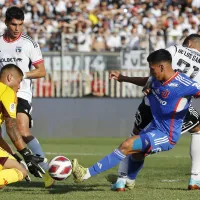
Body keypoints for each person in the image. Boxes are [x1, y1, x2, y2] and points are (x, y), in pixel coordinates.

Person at [71, 49, 200, 190]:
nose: (150, 72)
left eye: (152, 69)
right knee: (137, 155)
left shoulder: (184, 84)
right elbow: (146, 80)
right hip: (154, 128)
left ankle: (85, 174)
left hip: (166, 136)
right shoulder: (156, 79)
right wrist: (123, 78)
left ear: (162, 67)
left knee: (127, 144)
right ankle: (128, 182)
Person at [106, 34, 200, 191]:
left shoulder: (174, 50)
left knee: (134, 136)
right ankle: (195, 179)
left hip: (150, 102)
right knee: (197, 131)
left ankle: (123, 179)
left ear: (188, 43)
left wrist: (125, 78)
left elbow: (154, 73)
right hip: (175, 107)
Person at [0, 6, 54, 188]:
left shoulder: (29, 44)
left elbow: (41, 72)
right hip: (1, 91)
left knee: (21, 129)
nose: (17, 29)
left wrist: (21, 75)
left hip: (20, 92)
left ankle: (45, 168)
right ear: (6, 22)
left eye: (20, 25)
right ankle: (16, 164)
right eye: (14, 25)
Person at [0, 64, 45, 189]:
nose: (19, 87)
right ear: (9, 77)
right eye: (19, 81)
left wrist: (16, 156)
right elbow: (11, 127)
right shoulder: (6, 91)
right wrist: (26, 154)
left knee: (10, 168)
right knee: (20, 171)